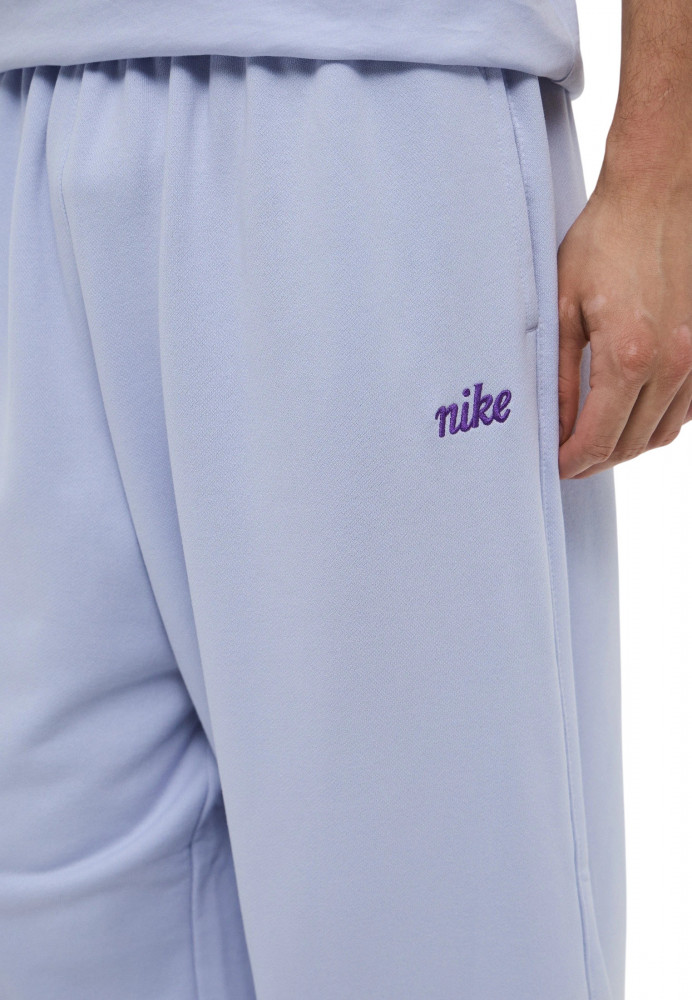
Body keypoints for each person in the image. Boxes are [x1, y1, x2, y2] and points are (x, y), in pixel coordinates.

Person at [0, 1, 689, 998]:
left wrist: (664, 158)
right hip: (32, 103)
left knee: (427, 937)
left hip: (377, 96)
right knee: (63, 935)